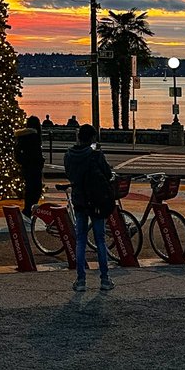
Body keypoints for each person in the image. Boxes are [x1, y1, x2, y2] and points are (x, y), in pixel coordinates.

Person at [63, 124, 114, 293]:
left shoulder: (69, 156)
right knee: (100, 239)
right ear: (92, 139)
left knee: (81, 240)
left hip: (79, 201)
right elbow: (107, 174)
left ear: (79, 137)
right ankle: (105, 279)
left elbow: (70, 175)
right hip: (96, 202)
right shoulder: (96, 155)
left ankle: (81, 280)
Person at [14, 116, 45, 217]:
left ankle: (28, 209)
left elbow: (18, 154)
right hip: (34, 167)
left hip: (27, 168)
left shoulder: (22, 137)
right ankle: (29, 210)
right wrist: (39, 161)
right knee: (35, 189)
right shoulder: (34, 137)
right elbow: (36, 154)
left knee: (29, 189)